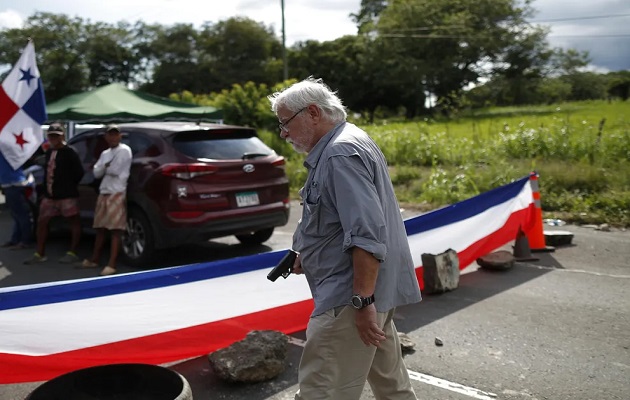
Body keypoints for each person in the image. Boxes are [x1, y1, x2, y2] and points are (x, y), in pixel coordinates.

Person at [268, 77, 422, 400]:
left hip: (350, 301)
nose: (283, 133)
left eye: (285, 123)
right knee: (393, 389)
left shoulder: (339, 154)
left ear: (312, 112)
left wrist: (362, 301)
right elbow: (339, 222)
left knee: (321, 392)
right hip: (368, 295)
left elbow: (366, 233)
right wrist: (306, 254)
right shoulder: (349, 141)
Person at [24, 123, 84, 264]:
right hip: (50, 196)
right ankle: (40, 253)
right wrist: (46, 191)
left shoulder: (70, 152)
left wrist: (68, 186)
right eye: (51, 136)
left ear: (62, 136)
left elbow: (79, 173)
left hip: (67, 195)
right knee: (42, 222)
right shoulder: (50, 152)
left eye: (56, 136)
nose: (53, 139)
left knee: (73, 221)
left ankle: (73, 251)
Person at [80, 124, 132, 276]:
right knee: (100, 228)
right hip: (104, 192)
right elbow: (96, 172)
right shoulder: (105, 153)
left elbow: (114, 170)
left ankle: (112, 264)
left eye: (116, 134)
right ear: (106, 137)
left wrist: (104, 167)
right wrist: (105, 166)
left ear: (120, 136)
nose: (113, 137)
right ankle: (95, 259)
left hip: (116, 192)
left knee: (115, 230)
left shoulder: (124, 150)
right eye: (110, 134)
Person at [0, 152, 35, 250]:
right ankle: (16, 239)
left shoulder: (5, 148)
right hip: (10, 183)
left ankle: (25, 241)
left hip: (14, 183)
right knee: (16, 214)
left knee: (21, 214)